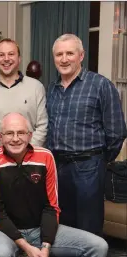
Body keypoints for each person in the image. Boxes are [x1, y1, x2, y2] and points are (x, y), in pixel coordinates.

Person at [0, 112, 109, 257]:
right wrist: (26, 247)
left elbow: (51, 206)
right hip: (4, 232)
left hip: (39, 229)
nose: (15, 139)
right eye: (9, 133)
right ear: (0, 137)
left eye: (21, 133)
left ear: (30, 136)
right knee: (0, 253)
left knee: (99, 246)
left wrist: (46, 246)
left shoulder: (45, 156)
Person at [46, 34, 127, 235]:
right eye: (59, 54)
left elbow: (117, 132)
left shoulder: (100, 85)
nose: (64, 59)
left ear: (81, 56)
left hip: (88, 167)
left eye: (69, 53)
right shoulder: (51, 89)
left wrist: (100, 160)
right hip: (59, 166)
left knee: (88, 226)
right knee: (63, 225)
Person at [0, 38, 48, 156]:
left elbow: (42, 126)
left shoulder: (36, 87)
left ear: (19, 59)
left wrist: (29, 156)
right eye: (1, 55)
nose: (6, 59)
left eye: (11, 54)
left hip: (30, 161)